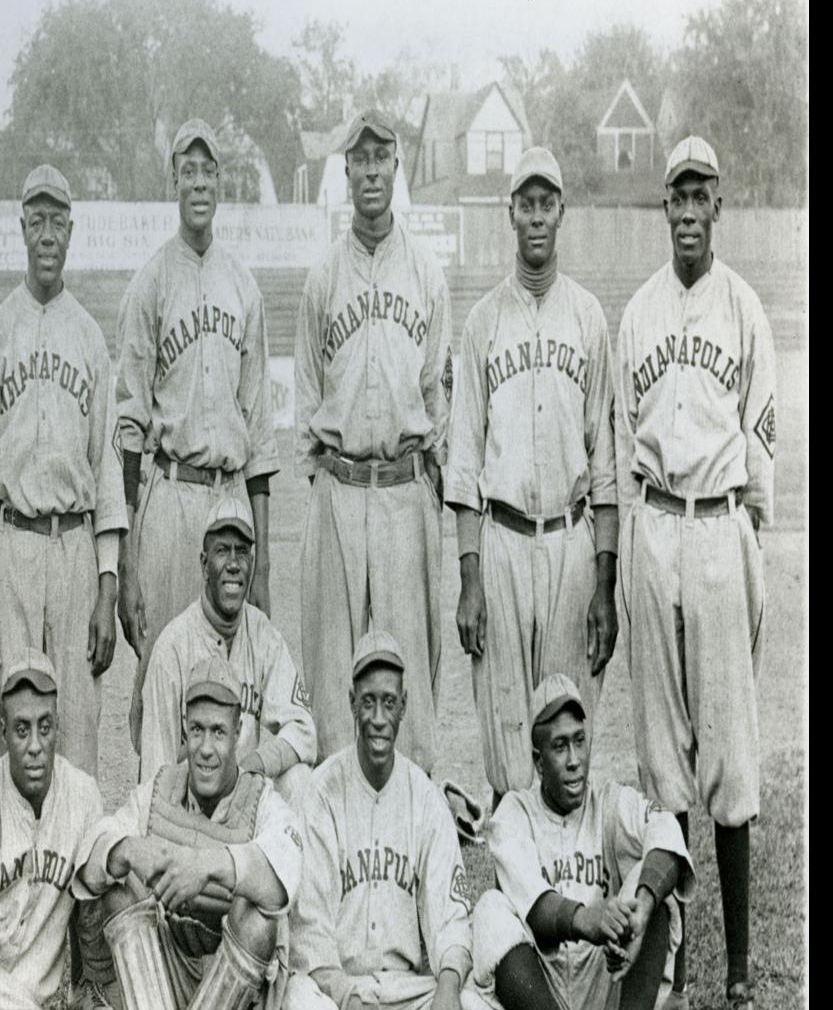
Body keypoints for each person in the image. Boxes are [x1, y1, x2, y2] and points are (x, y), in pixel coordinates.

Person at [612, 135, 776, 1010]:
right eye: (674, 196)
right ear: (661, 209)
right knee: (663, 759)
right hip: (653, 523)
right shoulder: (636, 312)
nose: (686, 211)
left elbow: (763, 456)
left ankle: (742, 984)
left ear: (719, 208)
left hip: (718, 527)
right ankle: (672, 971)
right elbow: (621, 438)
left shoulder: (746, 308)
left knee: (732, 761)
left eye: (700, 196)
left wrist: (749, 546)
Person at [445, 148, 617, 808]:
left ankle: (563, 899)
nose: (537, 216)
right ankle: (504, 900)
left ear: (561, 212)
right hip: (504, 542)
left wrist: (604, 584)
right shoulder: (484, 320)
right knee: (506, 741)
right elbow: (463, 459)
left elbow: (604, 465)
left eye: (549, 203)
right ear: (510, 212)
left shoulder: (588, 317)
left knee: (565, 731)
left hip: (571, 544)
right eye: (527, 203)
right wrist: (468, 583)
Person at [115, 117, 279, 756]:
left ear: (221, 182)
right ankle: (156, 811)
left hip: (230, 496)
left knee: (229, 667)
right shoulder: (150, 281)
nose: (200, 182)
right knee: (160, 663)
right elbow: (129, 426)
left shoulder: (244, 287)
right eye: (189, 170)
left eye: (209, 171)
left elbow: (261, 429)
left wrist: (262, 557)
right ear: (174, 182)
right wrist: (126, 557)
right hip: (172, 490)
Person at [295, 111, 453, 769]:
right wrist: (326, 484)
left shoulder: (425, 275)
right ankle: (339, 840)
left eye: (380, 158)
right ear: (346, 173)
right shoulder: (322, 278)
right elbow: (307, 397)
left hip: (403, 491)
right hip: (339, 490)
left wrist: (429, 493)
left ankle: (410, 834)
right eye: (357, 160)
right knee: (335, 681)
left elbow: (438, 398)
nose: (369, 171)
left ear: (396, 168)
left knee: (409, 668)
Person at [72, 654, 304, 1010]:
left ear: (239, 733)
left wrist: (207, 866)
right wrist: (126, 849)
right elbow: (88, 864)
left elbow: (282, 876)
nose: (206, 748)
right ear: (184, 727)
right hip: (171, 991)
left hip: (241, 1006)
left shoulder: (263, 799)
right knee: (117, 888)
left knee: (258, 914)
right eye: (197, 730)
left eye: (218, 732)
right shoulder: (160, 787)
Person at [283, 629, 496, 1010]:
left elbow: (450, 917)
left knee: (479, 1009)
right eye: (368, 701)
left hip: (404, 998)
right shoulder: (320, 793)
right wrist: (351, 1004)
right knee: (298, 1004)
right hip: (338, 996)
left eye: (389, 702)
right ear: (351, 703)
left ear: (404, 706)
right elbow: (309, 933)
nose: (378, 717)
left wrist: (449, 982)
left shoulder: (426, 797)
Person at [471, 673, 695, 1010]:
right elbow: (538, 911)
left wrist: (641, 910)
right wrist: (590, 920)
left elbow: (667, 831)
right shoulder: (514, 813)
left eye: (579, 741)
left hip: (602, 1003)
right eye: (559, 747)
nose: (574, 759)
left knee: (656, 891)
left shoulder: (609, 802)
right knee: (490, 910)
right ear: (539, 762)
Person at [0, 164, 127, 780]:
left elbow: (107, 473)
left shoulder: (88, 335)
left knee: (77, 721)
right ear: (21, 228)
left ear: (71, 232)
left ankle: (76, 865)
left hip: (75, 546)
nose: (47, 235)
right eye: (37, 220)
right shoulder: (2, 326)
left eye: (58, 221)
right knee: (12, 714)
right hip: (14, 543)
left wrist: (108, 588)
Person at [137, 496, 316, 805]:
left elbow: (303, 731)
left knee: (299, 780)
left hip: (244, 799)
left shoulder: (264, 635)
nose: (233, 564)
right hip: (191, 808)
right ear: (204, 564)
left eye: (242, 552)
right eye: (222, 551)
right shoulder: (172, 646)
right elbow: (155, 770)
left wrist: (251, 767)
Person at [0, 650, 113, 1010]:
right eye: (21, 729)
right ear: (3, 733)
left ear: (58, 728)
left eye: (44, 728)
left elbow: (98, 892)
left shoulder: (82, 798)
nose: (34, 746)